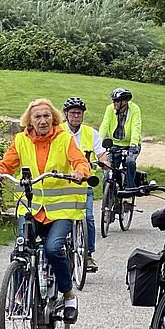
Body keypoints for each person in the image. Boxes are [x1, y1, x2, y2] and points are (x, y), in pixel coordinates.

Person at [0, 98, 90, 323]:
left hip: (60, 211)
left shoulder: (64, 139)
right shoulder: (21, 140)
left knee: (53, 249)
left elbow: (79, 161)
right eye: (37, 117)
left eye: (46, 116)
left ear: (53, 118)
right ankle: (20, 296)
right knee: (21, 251)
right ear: (29, 121)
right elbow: (6, 164)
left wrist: (81, 171)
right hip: (32, 208)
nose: (42, 121)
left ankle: (69, 295)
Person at [62, 97, 106, 272]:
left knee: (88, 217)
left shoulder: (91, 133)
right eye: (72, 113)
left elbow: (101, 153)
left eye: (79, 113)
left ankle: (88, 255)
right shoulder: (58, 132)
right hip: (62, 185)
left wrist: (105, 162)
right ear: (66, 114)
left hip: (84, 184)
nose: (75, 116)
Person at [98, 87, 141, 189]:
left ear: (125, 102)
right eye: (113, 101)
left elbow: (136, 127)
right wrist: (98, 142)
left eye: (117, 101)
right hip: (115, 144)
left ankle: (130, 189)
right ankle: (108, 194)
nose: (114, 104)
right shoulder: (110, 109)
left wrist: (133, 145)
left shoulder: (134, 109)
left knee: (130, 162)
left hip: (130, 144)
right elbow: (104, 125)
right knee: (109, 167)